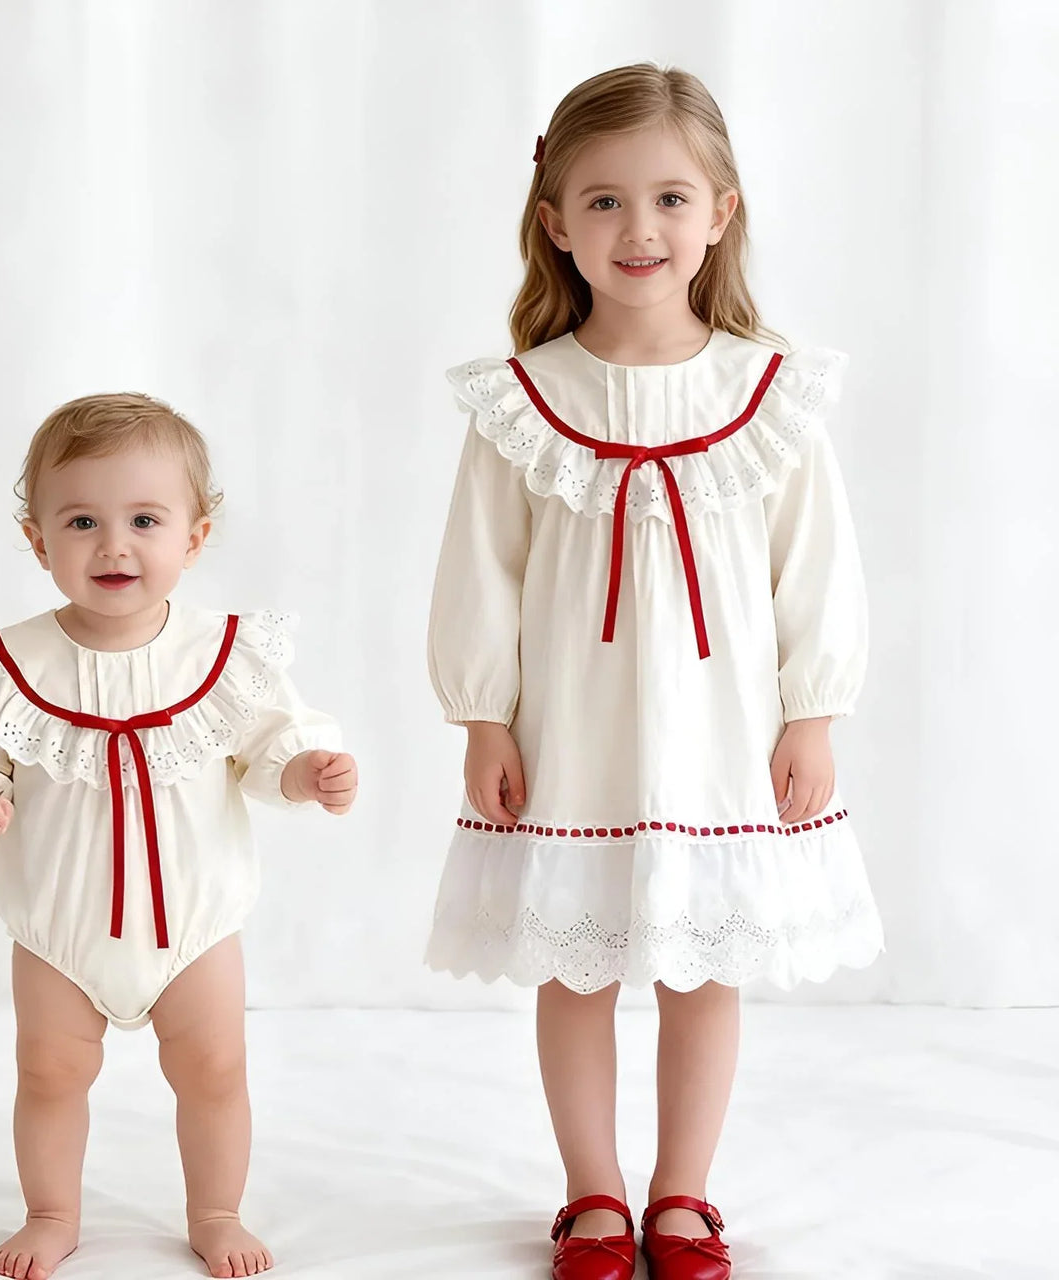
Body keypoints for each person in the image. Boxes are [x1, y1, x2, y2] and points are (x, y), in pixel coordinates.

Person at [424, 63, 882, 1280]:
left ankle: (681, 1192)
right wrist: (482, 715)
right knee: (575, 965)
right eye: (605, 200)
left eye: (670, 198)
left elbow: (813, 566)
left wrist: (811, 711)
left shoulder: (768, 393)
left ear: (719, 213)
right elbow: (481, 572)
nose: (639, 228)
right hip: (572, 729)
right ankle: (591, 1192)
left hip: (721, 728)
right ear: (554, 222)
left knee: (702, 961)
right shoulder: (522, 401)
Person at [0, 392, 358, 1280]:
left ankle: (217, 1212)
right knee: (48, 1073)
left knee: (215, 1070)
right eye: (82, 521)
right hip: (59, 926)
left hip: (194, 923)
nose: (114, 545)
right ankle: (51, 1212)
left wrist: (305, 770)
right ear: (38, 541)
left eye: (145, 520)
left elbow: (270, 742)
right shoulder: (10, 664)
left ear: (194, 537)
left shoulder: (223, 654)